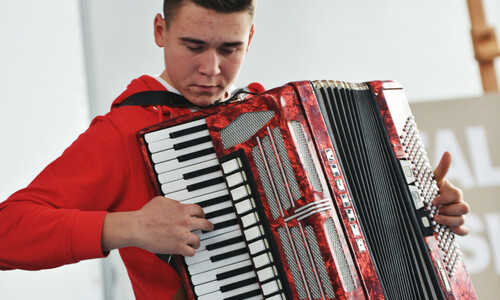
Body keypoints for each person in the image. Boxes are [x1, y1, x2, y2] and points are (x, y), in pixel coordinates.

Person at [0, 0, 470, 299]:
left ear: (250, 38)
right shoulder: (126, 131)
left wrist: (420, 212)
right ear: (160, 30)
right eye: (193, 45)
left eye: (229, 48)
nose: (211, 68)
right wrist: (130, 226)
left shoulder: (271, 116)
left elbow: (352, 230)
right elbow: (8, 231)